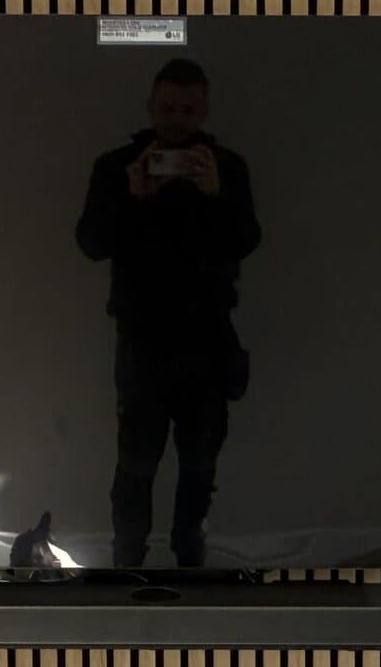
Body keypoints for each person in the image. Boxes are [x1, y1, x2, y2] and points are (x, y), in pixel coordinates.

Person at [74, 57, 260, 568]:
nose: (176, 119)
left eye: (187, 109)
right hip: (143, 339)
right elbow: (91, 242)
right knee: (136, 460)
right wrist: (133, 198)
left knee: (201, 462)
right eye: (167, 108)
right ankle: (126, 562)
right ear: (150, 107)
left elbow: (246, 240)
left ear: (203, 110)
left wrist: (215, 194)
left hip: (208, 338)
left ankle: (189, 558)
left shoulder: (226, 168)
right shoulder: (117, 168)